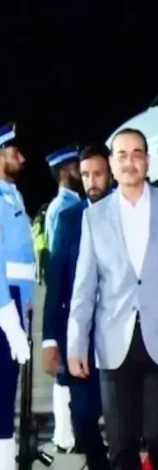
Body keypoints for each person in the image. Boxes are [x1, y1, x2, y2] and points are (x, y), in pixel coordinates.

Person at [67, 128, 158, 470]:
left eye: (137, 154)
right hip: (113, 343)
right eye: (122, 155)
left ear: (147, 160)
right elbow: (84, 288)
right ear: (112, 164)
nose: (130, 162)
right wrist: (75, 344)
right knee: (121, 442)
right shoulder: (94, 217)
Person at [42, 144, 113, 470]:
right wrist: (50, 339)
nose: (91, 181)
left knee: (121, 417)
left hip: (119, 334)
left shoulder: (125, 213)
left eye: (97, 174)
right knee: (83, 415)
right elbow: (56, 280)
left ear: (110, 173)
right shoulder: (70, 218)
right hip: (80, 337)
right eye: (85, 175)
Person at [43, 144, 83, 454]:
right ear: (66, 171)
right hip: (68, 300)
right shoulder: (63, 208)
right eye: (76, 166)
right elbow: (59, 260)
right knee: (65, 373)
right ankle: (64, 434)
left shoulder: (69, 204)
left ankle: (68, 433)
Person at [0, 121, 33, 470]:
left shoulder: (12, 194)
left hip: (15, 301)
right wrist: (8, 316)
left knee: (6, 390)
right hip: (3, 304)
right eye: (15, 152)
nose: (22, 159)